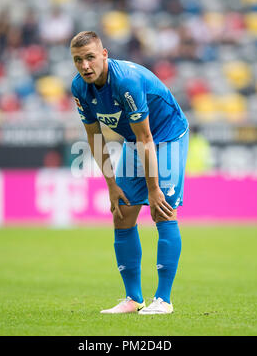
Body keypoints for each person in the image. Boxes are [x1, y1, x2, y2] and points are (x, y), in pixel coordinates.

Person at [70, 31, 189, 315]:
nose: (85, 66)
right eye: (78, 60)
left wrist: (153, 188)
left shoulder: (126, 82)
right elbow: (94, 137)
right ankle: (133, 298)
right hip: (139, 141)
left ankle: (163, 300)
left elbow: (147, 138)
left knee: (162, 210)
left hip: (167, 135)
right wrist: (111, 184)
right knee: (122, 212)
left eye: (90, 58)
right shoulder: (79, 88)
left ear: (104, 55)